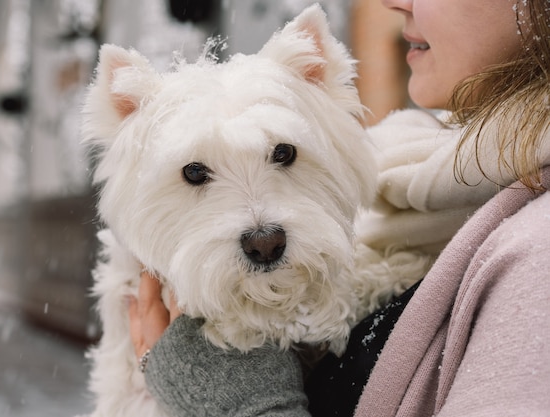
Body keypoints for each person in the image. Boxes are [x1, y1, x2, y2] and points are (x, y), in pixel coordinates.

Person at [127, 0, 550, 415]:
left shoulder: (538, 249)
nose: (395, 2)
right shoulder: (406, 185)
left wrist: (238, 398)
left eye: (283, 156)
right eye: (199, 175)